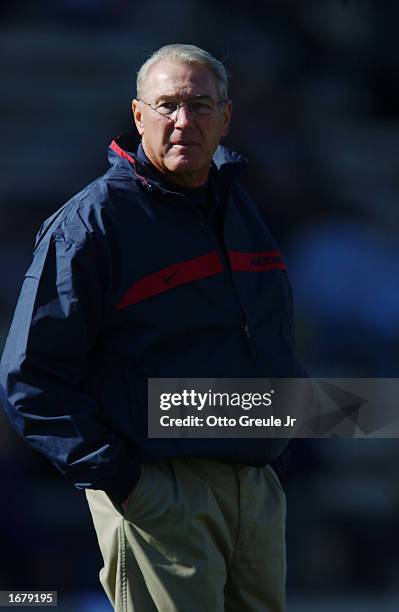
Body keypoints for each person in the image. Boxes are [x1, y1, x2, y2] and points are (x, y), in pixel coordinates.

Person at [0, 44, 304, 611]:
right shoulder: (92, 223)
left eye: (199, 105)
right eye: (167, 106)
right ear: (139, 116)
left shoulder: (241, 207)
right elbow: (29, 379)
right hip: (158, 489)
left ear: (227, 117)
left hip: (255, 488)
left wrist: (280, 450)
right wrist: (126, 484)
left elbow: (270, 339)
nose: (183, 120)